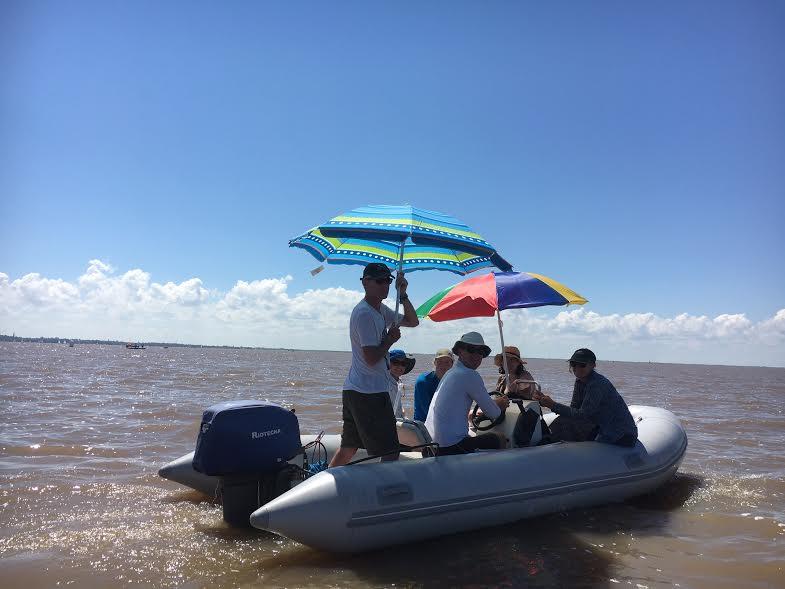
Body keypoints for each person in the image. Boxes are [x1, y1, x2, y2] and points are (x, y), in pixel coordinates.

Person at [328, 263, 419, 467]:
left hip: (356, 390)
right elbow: (370, 358)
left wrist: (403, 294)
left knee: (349, 447)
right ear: (365, 283)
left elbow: (413, 321)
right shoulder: (364, 314)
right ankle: (383, 493)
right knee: (391, 451)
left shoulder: (381, 311)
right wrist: (390, 340)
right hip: (369, 393)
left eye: (388, 280)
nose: (385, 285)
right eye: (379, 281)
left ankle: (327, 482)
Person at [424, 332, 510, 456]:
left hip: (430, 446)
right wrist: (499, 404)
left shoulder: (451, 373)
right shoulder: (469, 375)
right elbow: (494, 413)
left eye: (480, 351)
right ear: (459, 351)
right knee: (500, 438)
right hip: (449, 448)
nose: (476, 355)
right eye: (471, 349)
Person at [532, 348, 638, 447]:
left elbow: (583, 415)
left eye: (582, 365)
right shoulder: (580, 381)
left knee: (565, 425)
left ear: (593, 365)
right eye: (573, 364)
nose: (577, 368)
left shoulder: (597, 384)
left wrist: (553, 405)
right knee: (563, 421)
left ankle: (545, 448)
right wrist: (544, 400)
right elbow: (574, 409)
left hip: (622, 435)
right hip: (600, 426)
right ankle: (543, 446)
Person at [413, 348, 454, 422]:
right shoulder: (423, 381)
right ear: (435, 362)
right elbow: (429, 412)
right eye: (440, 361)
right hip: (423, 424)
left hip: (444, 420)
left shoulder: (454, 382)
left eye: (447, 362)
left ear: (452, 364)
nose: (443, 365)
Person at [388, 348, 416, 418]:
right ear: (388, 363)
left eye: (403, 364)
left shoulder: (396, 383)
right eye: (395, 363)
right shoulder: (385, 384)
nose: (399, 366)